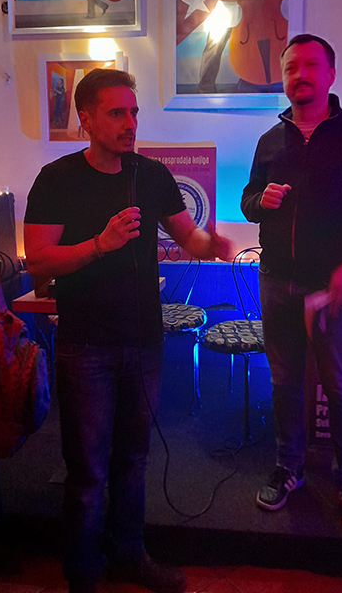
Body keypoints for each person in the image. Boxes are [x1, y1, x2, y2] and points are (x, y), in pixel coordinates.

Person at [24, 68, 231, 593]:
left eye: (134, 112)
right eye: (117, 112)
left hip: (143, 341)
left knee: (133, 461)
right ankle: (83, 574)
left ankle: (129, 557)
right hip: (85, 345)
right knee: (88, 472)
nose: (130, 123)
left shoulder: (152, 175)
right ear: (86, 119)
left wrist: (211, 244)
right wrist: (100, 244)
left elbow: (188, 236)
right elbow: (39, 261)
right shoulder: (57, 179)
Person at [241, 34, 342, 535]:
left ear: (330, 74)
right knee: (284, 382)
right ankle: (289, 468)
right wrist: (259, 200)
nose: (300, 74)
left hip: (333, 286)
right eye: (291, 67)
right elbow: (248, 200)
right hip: (276, 280)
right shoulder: (270, 139)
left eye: (310, 65)